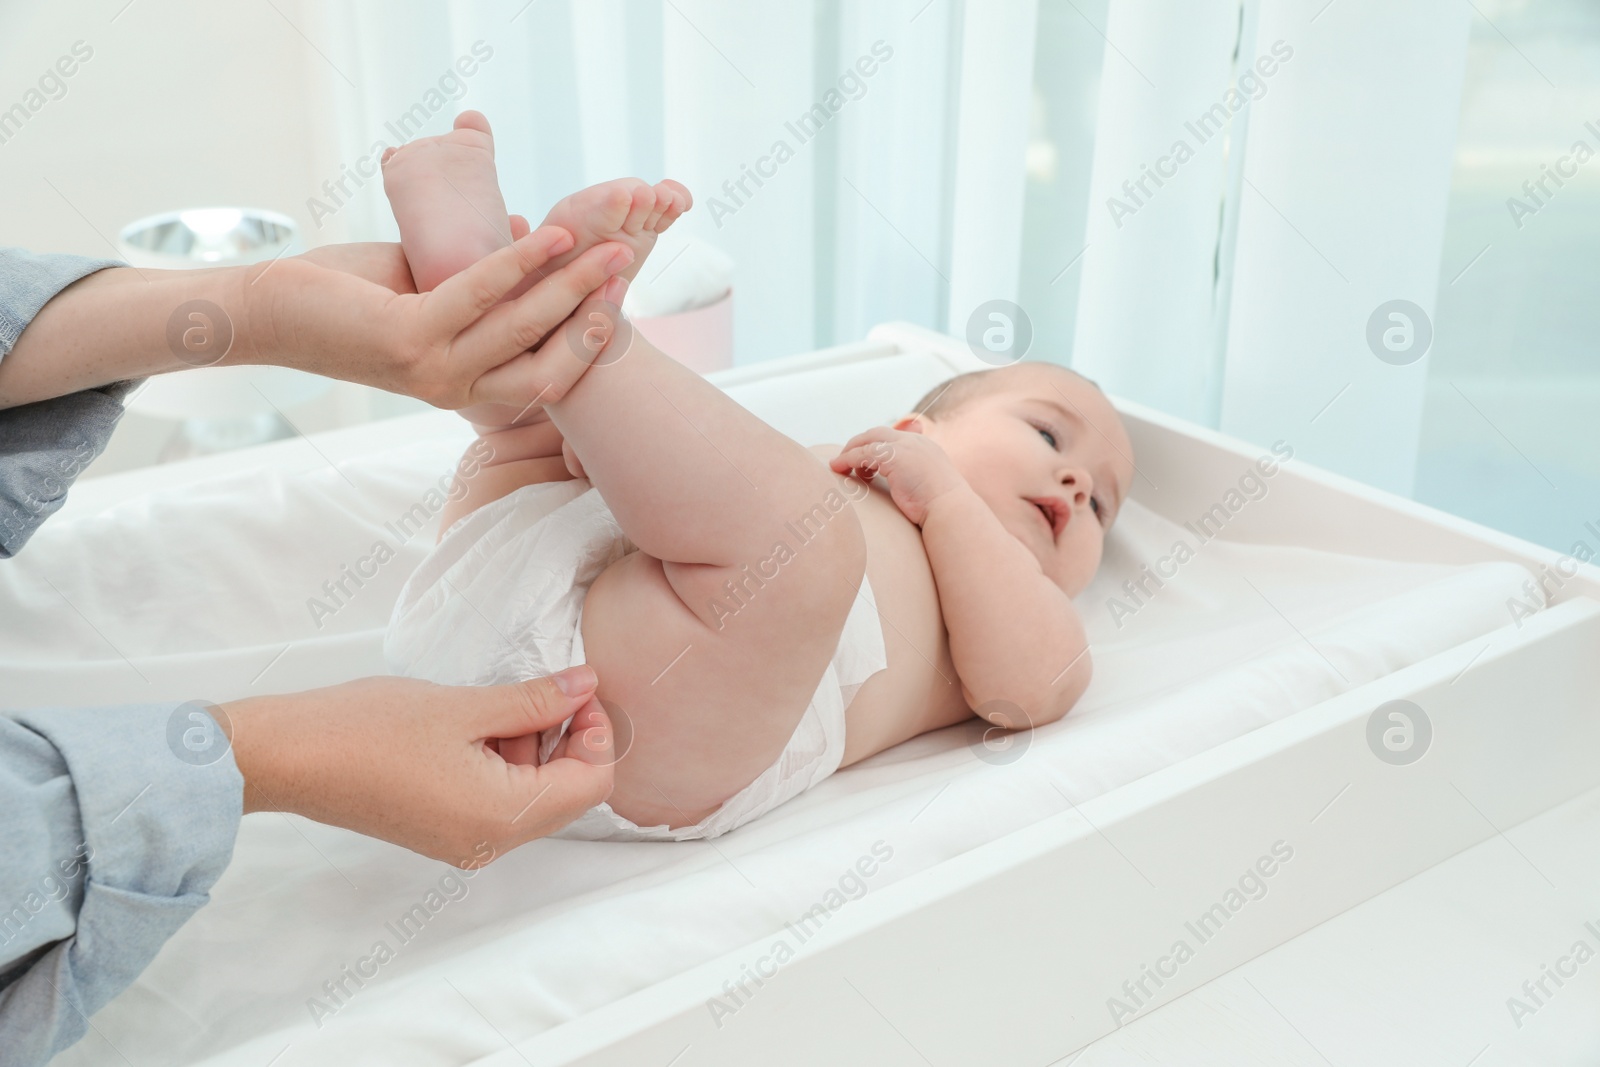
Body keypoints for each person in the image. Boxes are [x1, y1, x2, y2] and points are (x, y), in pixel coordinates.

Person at [0, 189, 641, 1063]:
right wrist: (262, 753)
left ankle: (516, 289)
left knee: (530, 447)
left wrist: (258, 307)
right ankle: (563, 321)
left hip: (484, 638)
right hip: (580, 688)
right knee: (605, 468)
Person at [379, 113, 1137, 842]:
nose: (1075, 483)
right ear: (915, 430)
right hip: (495, 591)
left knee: (802, 542)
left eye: (1102, 503)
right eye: (1046, 432)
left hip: (639, 724)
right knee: (542, 445)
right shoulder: (842, 471)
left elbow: (1034, 687)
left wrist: (947, 500)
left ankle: (571, 336)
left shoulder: (1020, 600)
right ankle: (499, 314)